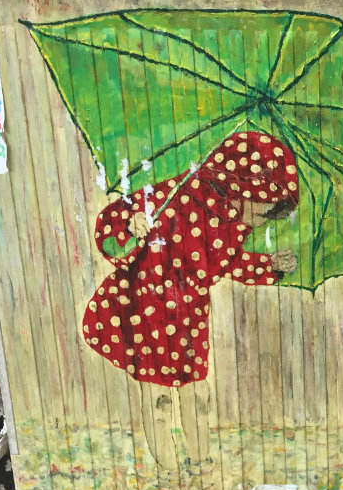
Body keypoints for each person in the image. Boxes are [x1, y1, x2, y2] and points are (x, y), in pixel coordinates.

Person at [81, 130, 299, 387]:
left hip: (184, 326)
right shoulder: (178, 195)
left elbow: (231, 262)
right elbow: (110, 224)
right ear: (240, 189)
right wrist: (131, 224)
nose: (263, 222)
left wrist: (269, 265)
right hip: (136, 310)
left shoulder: (234, 226)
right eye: (265, 213)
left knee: (183, 390)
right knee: (137, 390)